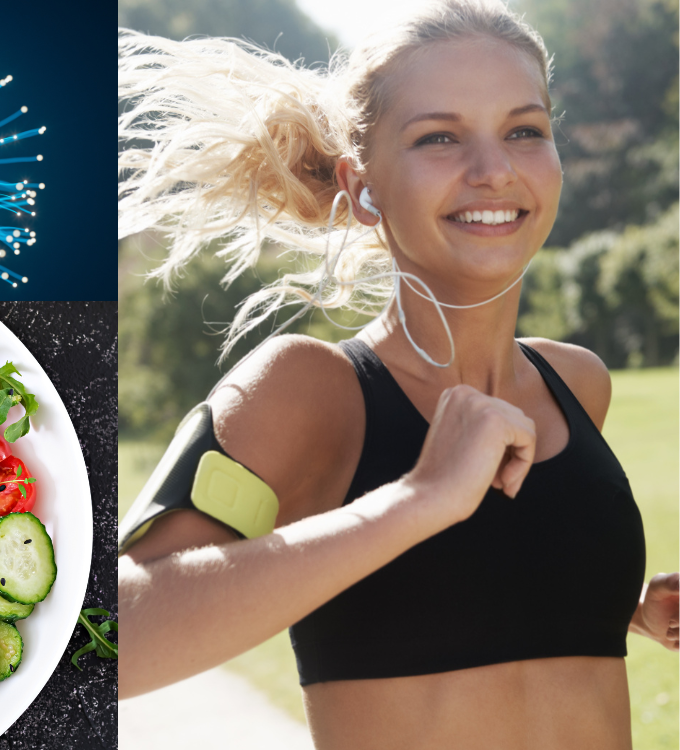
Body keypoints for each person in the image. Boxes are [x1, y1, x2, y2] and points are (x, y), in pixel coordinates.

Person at [116, 1, 679, 748]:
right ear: (361, 185)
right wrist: (415, 499)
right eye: (438, 138)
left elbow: (471, 597)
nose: (494, 169)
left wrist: (618, 602)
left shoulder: (576, 383)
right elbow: (106, 640)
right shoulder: (310, 391)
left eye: (524, 130)